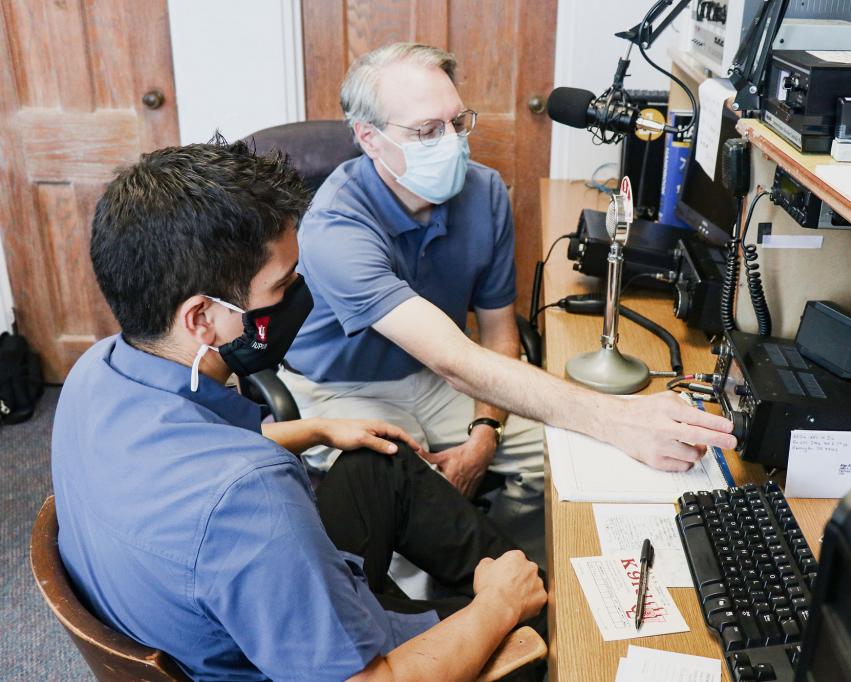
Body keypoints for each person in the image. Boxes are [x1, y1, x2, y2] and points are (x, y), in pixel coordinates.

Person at [51, 140, 545, 681]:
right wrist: (498, 607)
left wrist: (316, 429)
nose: (297, 296)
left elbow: (186, 475)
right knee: (532, 632)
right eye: (283, 284)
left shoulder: (97, 371)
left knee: (382, 458)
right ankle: (528, 601)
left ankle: (510, 583)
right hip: (319, 665)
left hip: (212, 608)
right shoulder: (252, 500)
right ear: (201, 319)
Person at [282, 43, 738, 537]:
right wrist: (616, 417)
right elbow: (454, 358)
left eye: (456, 122)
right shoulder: (334, 227)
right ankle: (435, 600)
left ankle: (517, 569)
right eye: (427, 130)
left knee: (564, 454)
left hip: (440, 378)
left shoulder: (485, 192)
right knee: (416, 495)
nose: (452, 142)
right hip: (341, 389)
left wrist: (485, 434)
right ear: (369, 139)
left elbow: (499, 334)